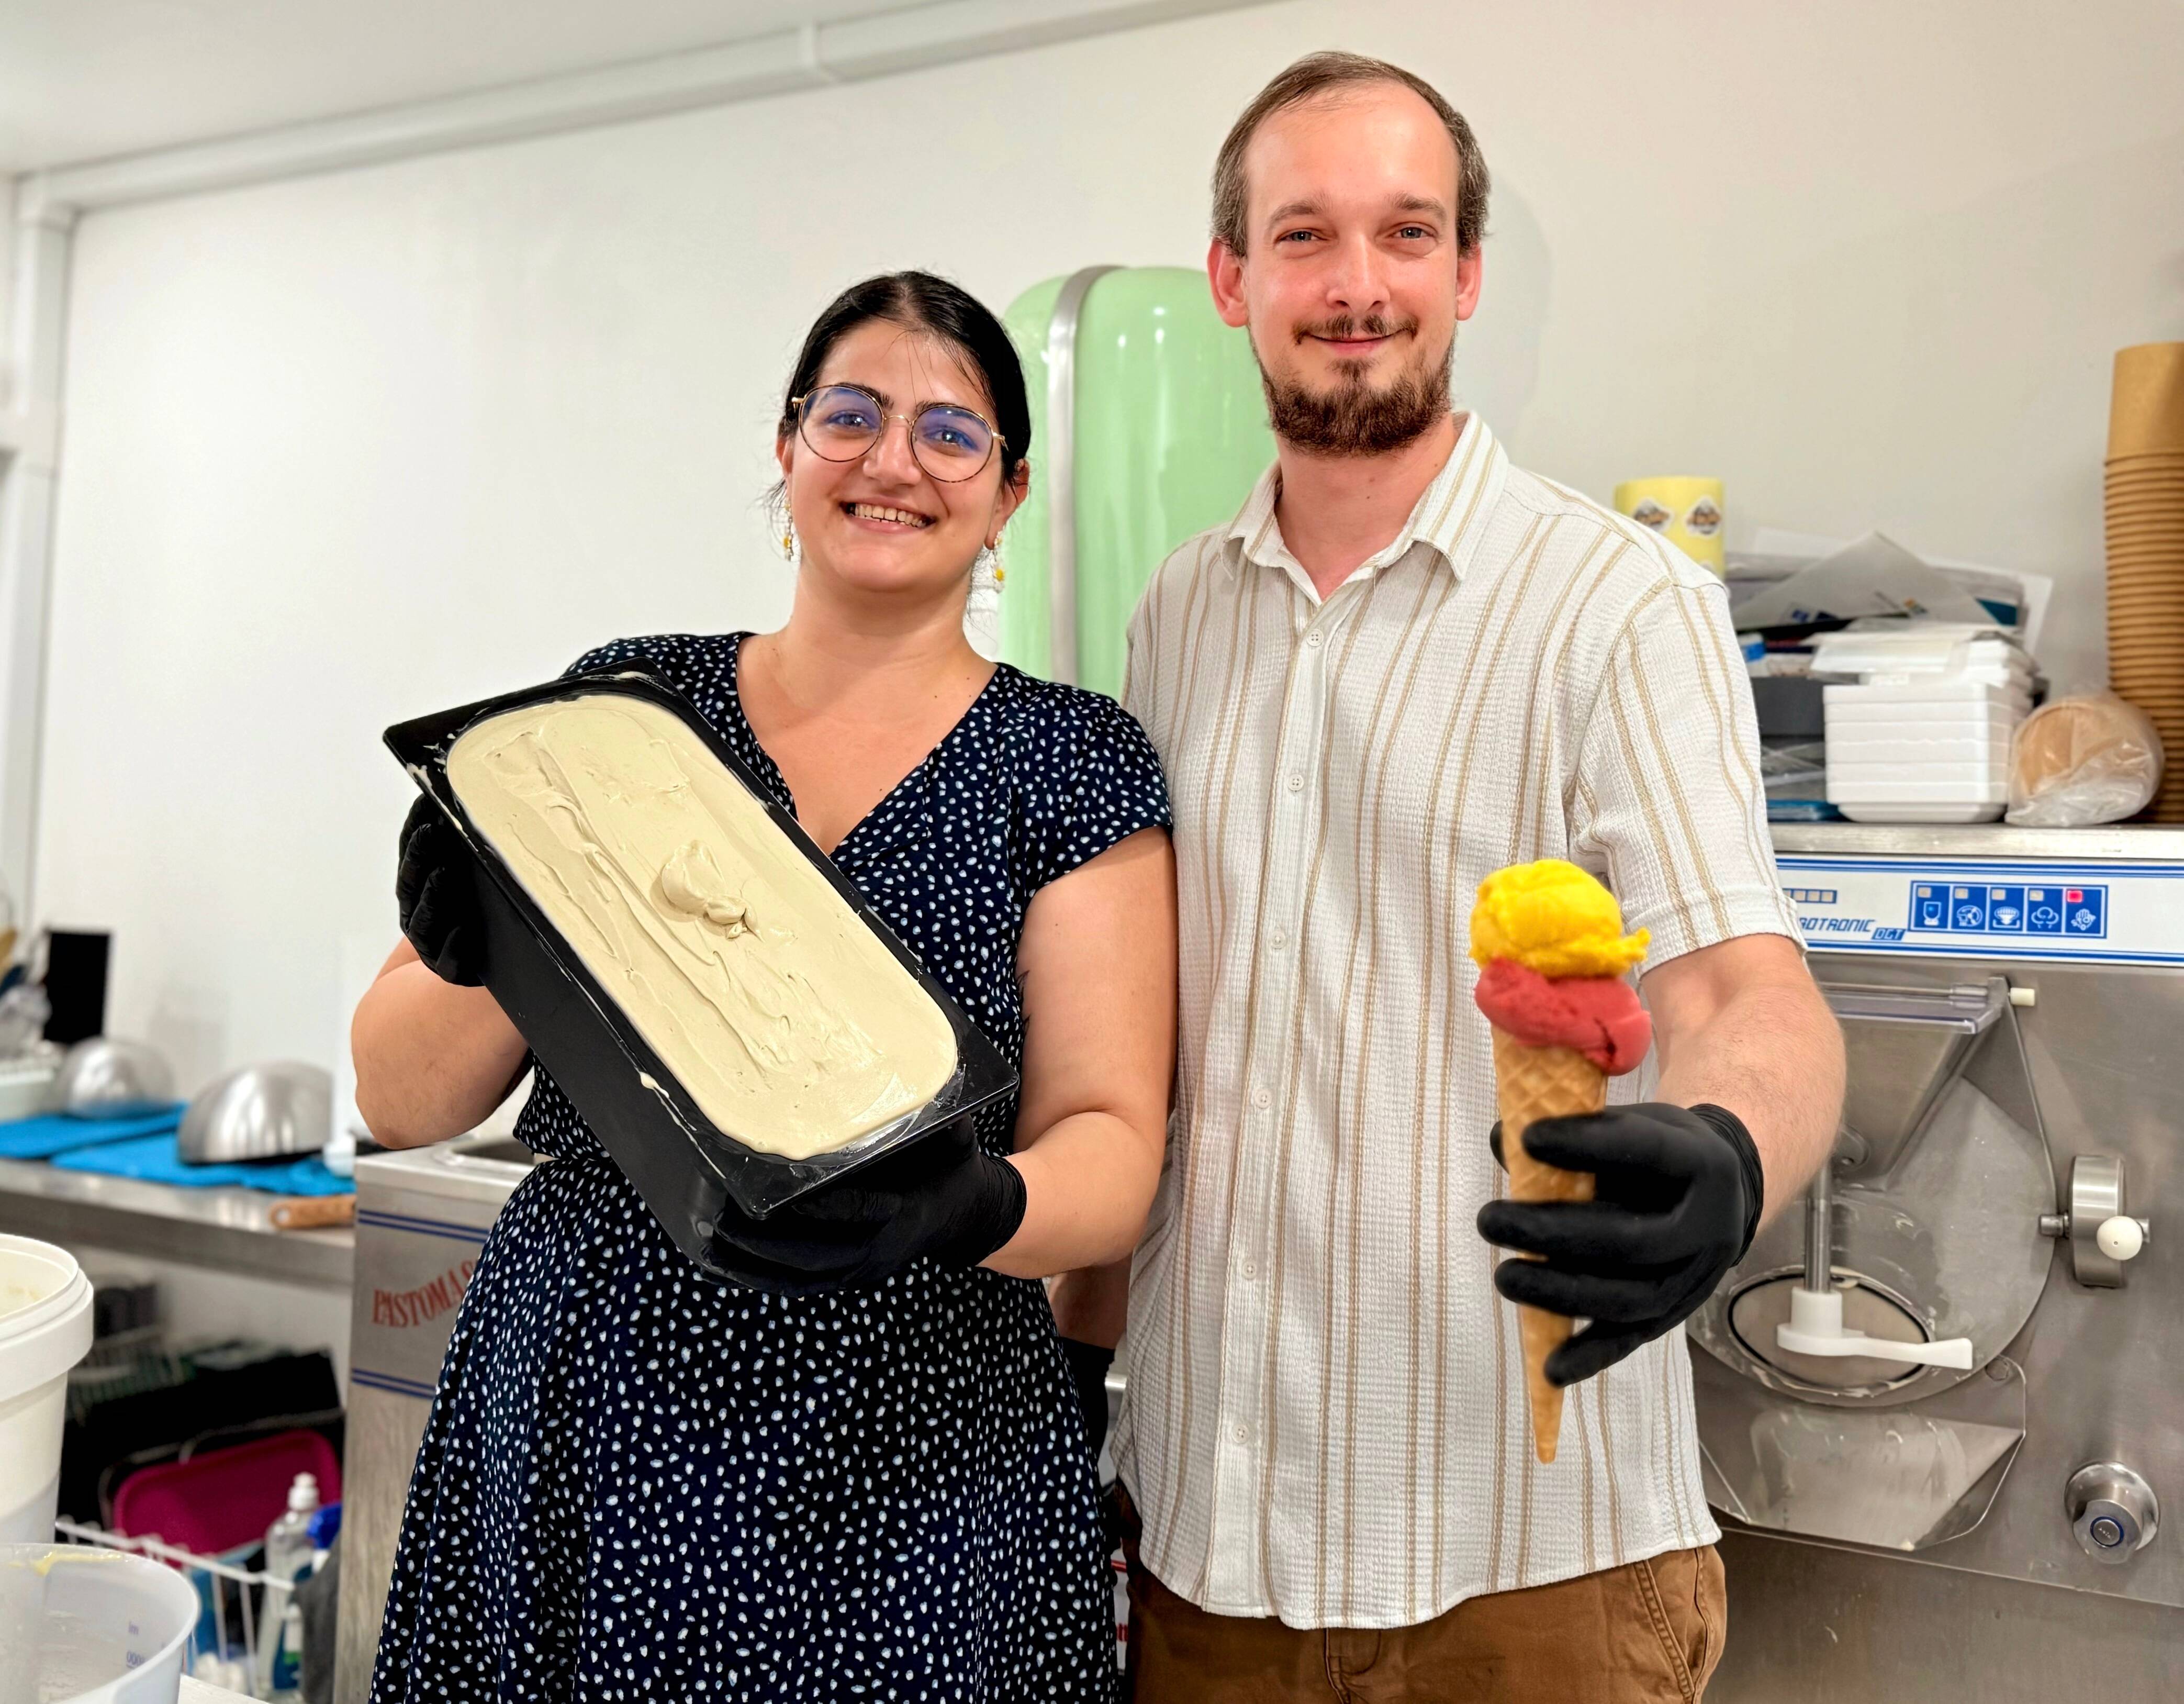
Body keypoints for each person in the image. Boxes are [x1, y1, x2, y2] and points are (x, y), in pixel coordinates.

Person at [1050, 53, 1846, 1703]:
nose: (1358, 287)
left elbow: (1744, 992)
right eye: (1305, 237)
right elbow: (1162, 1056)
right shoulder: (1173, 616)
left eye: (1407, 236)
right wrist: (1082, 1355)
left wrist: (1729, 1154)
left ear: (1467, 274)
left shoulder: (1615, 605)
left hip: (1525, 1567)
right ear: (1232, 279)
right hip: (1213, 1551)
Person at [354, 271, 1177, 1703]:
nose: (891, 460)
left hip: (920, 1430)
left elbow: (1113, 1147)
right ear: (787, 448)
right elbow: (400, 1094)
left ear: (1011, 489)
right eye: (849, 414)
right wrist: (482, 946)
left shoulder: (1073, 764)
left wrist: (975, 1203)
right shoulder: (626, 710)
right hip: (589, 1389)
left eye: (950, 431)